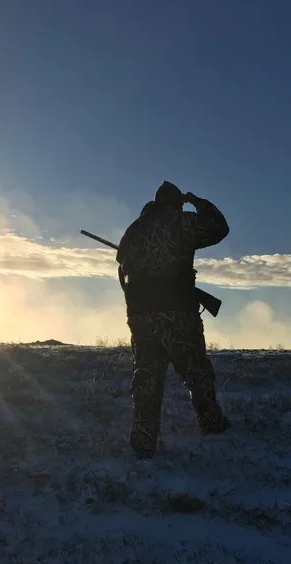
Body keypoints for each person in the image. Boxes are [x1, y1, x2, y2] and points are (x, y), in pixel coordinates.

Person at [116, 181, 230, 459]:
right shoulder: (181, 222)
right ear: (176, 203)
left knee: (146, 376)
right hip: (176, 312)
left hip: (141, 314)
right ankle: (211, 425)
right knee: (197, 371)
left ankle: (144, 441)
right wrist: (197, 201)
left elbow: (122, 266)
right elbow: (219, 227)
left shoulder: (134, 229)